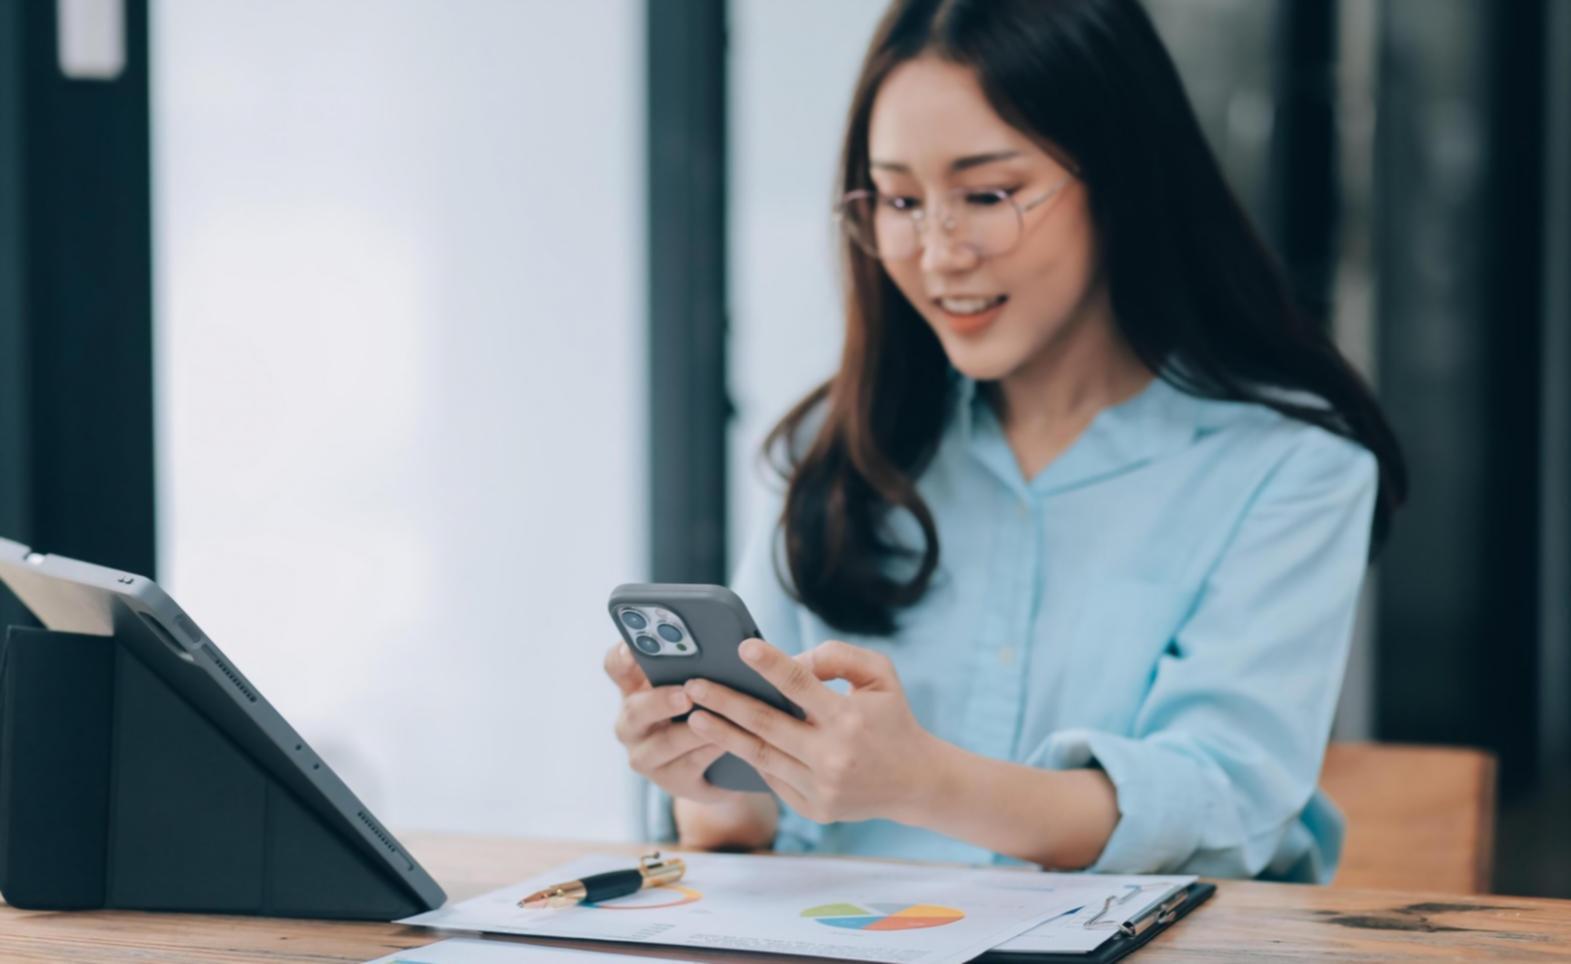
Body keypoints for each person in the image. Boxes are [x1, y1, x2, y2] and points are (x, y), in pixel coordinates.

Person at [604, 0, 1405, 882]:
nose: (939, 252)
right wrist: (711, 774)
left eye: (986, 195)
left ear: (1122, 180)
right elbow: (744, 833)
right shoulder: (837, 449)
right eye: (902, 200)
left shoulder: (1291, 467)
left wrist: (918, 783)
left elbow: (1219, 804)